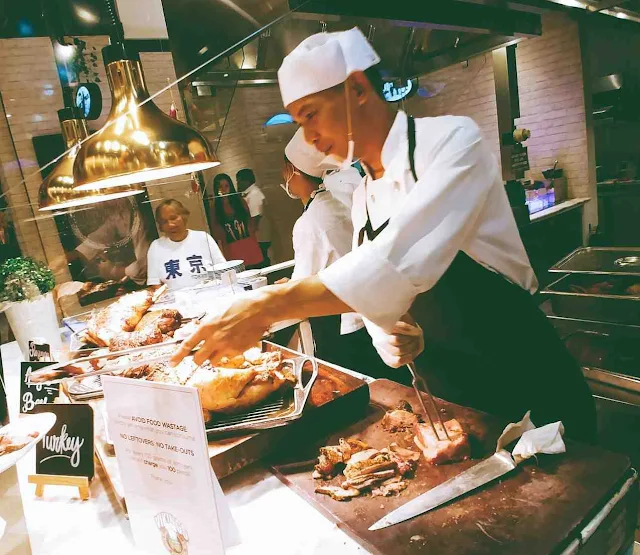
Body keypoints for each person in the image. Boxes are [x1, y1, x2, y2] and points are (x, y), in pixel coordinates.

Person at [173, 28, 597, 443]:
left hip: (526, 376)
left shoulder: (451, 141)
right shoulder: (364, 198)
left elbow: (399, 261)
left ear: (357, 88)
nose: (309, 138)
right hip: (454, 396)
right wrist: (392, 335)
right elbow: (372, 307)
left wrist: (266, 304)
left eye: (310, 115)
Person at [282, 128, 410, 383]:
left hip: (340, 320)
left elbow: (303, 283)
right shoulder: (338, 203)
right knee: (385, 380)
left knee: (357, 384)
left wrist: (278, 293)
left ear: (294, 172)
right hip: (369, 313)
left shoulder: (308, 222)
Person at [147, 199, 225, 290]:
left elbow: (223, 270)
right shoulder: (156, 247)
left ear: (184, 217)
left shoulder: (203, 237)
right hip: (176, 302)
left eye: (173, 218)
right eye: (164, 222)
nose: (170, 224)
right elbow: (155, 283)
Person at [210, 174, 264, 269]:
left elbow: (249, 220)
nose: (224, 189)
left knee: (255, 270)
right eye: (220, 186)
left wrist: (251, 231)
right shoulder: (215, 208)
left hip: (247, 241)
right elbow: (216, 230)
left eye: (226, 186)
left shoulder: (239, 201)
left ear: (231, 186)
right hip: (231, 246)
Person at [236, 168, 272, 266]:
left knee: (261, 260)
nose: (237, 184)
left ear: (246, 181)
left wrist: (250, 235)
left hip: (259, 235)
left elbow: (255, 217)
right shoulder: (249, 193)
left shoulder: (254, 194)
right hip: (258, 234)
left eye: (239, 181)